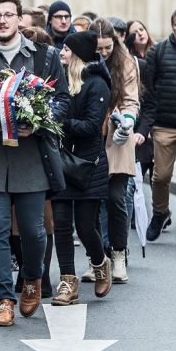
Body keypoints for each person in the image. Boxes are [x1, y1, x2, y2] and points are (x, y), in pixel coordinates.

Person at [0, 0, 69, 327]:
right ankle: (4, 299)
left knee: (34, 231)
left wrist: (38, 120)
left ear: (21, 20)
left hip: (32, 155)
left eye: (9, 15)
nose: (3, 20)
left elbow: (62, 100)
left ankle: (32, 279)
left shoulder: (46, 57)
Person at [51, 30, 113, 305]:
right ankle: (67, 282)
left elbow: (91, 127)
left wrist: (59, 124)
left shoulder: (97, 85)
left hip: (88, 165)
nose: (62, 52)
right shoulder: (61, 79)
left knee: (86, 227)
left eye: (66, 49)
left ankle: (100, 264)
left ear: (77, 54)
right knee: (62, 225)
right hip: (62, 162)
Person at [90, 18, 139, 283]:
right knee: (91, 202)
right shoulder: (81, 61)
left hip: (119, 139)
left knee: (116, 198)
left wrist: (128, 120)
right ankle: (98, 258)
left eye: (107, 47)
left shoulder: (126, 62)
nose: (103, 53)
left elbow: (132, 100)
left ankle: (119, 255)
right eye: (98, 48)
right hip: (89, 138)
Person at [142, 7, 176, 245]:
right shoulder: (158, 51)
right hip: (164, 125)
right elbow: (147, 90)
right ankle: (160, 212)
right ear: (172, 26)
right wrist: (148, 124)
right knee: (160, 177)